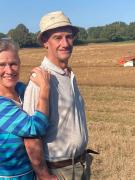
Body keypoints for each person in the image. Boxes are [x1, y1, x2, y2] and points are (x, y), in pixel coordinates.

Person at [23, 11, 91, 179]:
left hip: (80, 164)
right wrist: (43, 174)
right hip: (59, 171)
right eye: (58, 38)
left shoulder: (68, 74)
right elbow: (31, 136)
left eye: (69, 37)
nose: (65, 43)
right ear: (45, 42)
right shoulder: (39, 81)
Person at [0, 39, 52, 179]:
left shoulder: (21, 90)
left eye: (13, 64)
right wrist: (45, 88)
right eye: (2, 65)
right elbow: (35, 128)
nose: (9, 70)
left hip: (30, 174)